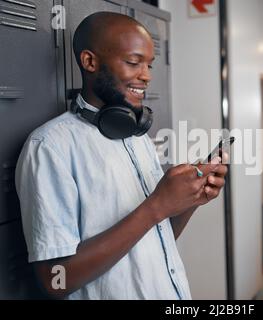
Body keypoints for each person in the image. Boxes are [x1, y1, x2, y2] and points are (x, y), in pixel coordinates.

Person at [15, 12, 228, 300]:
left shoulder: (135, 138)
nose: (147, 75)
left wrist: (189, 201)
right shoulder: (49, 147)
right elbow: (56, 281)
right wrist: (156, 206)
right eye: (133, 62)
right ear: (90, 62)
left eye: (149, 65)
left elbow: (153, 239)